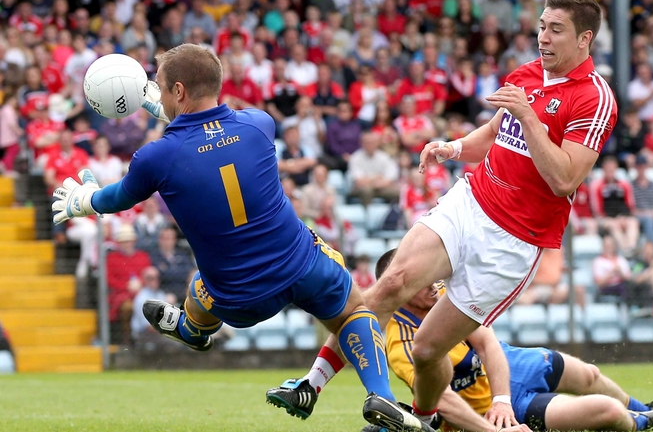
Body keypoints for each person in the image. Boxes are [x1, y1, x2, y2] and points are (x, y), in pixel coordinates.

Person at [269, 0, 618, 429]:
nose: (542, 37)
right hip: (471, 200)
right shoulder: (526, 75)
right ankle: (311, 384)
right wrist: (452, 147)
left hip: (513, 241)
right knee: (390, 283)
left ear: (585, 39)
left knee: (429, 350)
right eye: (542, 26)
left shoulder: (594, 98)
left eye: (555, 29)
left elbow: (564, 179)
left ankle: (423, 419)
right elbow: (495, 132)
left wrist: (529, 117)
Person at [50, 44, 430, 432]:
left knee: (200, 287)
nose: (158, 94)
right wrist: (161, 103)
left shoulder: (156, 157)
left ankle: (193, 331)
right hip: (302, 266)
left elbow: (119, 197)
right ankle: (379, 392)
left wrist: (84, 201)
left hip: (240, 299)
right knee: (353, 308)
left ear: (178, 92)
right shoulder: (259, 124)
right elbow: (213, 129)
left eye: (161, 87)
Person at [363, 249, 653, 432]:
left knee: (590, 376)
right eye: (419, 278)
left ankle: (647, 411)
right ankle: (643, 425)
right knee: (609, 413)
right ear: (400, 288)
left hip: (512, 370)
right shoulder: (402, 343)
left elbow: (489, 343)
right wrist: (497, 426)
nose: (431, 280)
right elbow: (444, 400)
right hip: (494, 412)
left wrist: (502, 397)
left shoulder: (445, 295)